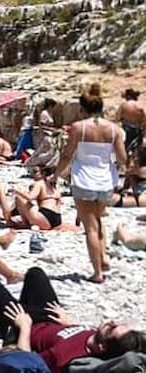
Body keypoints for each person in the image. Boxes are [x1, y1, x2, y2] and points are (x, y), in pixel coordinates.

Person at [0, 266, 146, 373]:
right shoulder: (96, 337)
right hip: (51, 319)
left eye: (111, 328)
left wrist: (24, 327)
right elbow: (76, 333)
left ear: (102, 348)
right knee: (35, 274)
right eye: (117, 323)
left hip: (21, 326)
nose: (111, 321)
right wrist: (72, 323)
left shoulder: (64, 355)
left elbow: (28, 362)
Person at [57, 81, 127, 284]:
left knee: (90, 227)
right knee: (98, 220)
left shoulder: (78, 128)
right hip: (106, 181)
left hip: (83, 180)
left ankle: (97, 272)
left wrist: (56, 175)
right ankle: (104, 257)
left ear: (82, 108)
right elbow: (122, 158)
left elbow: (67, 155)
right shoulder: (114, 129)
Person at [12, 165, 63, 230]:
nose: (33, 174)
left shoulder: (39, 183)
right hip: (57, 220)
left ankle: (25, 223)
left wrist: (17, 191)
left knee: (19, 198)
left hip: (45, 217)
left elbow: (30, 197)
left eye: (35, 172)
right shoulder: (52, 185)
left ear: (43, 173)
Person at [115, 88, 146, 153]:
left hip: (126, 129)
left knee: (124, 147)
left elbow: (117, 118)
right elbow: (144, 119)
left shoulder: (124, 105)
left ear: (128, 96)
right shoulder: (141, 105)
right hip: (138, 129)